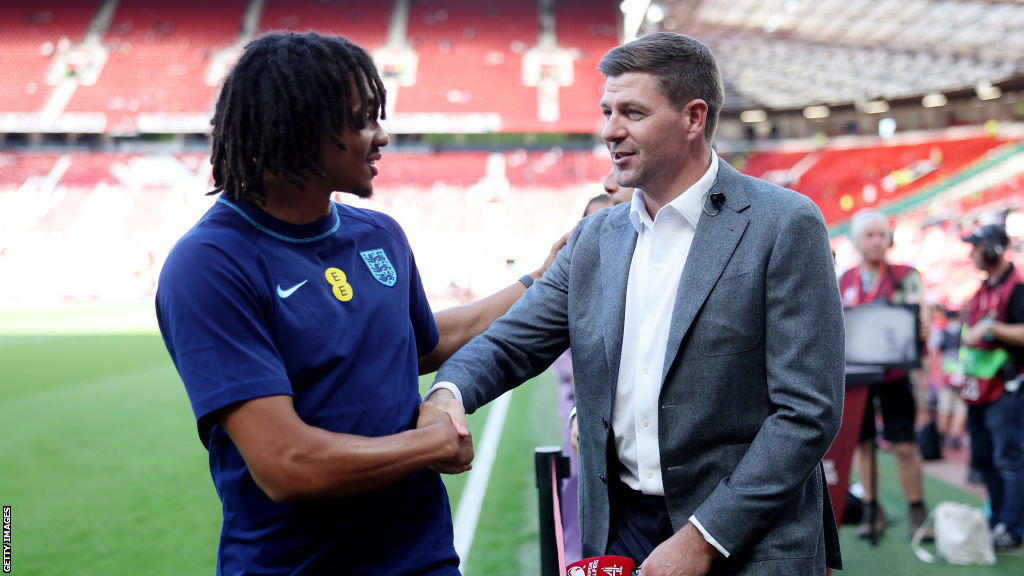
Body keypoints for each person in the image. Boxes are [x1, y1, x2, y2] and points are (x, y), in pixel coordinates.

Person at [427, 32, 844, 576]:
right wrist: (448, 392)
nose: (609, 131)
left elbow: (807, 412)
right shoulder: (594, 238)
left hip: (748, 540)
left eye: (632, 112)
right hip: (620, 530)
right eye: (606, 111)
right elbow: (511, 344)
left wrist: (702, 538)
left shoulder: (784, 223)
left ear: (694, 118)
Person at [155, 32, 562, 575]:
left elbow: (425, 344)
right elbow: (287, 463)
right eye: (363, 119)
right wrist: (433, 443)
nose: (382, 136)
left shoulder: (379, 233)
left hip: (424, 560)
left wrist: (544, 279)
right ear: (301, 129)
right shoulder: (210, 264)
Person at [838, 209, 930, 539]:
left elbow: (920, 319)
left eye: (882, 234)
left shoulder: (905, 275)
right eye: (870, 235)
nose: (877, 241)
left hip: (894, 377)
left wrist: (921, 327)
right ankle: (870, 509)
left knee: (903, 444)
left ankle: (917, 511)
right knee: (863, 445)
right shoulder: (844, 278)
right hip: (858, 378)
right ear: (856, 241)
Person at [551, 192, 614, 564]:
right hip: (581, 405)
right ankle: (576, 564)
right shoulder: (575, 278)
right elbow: (568, 367)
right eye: (594, 222)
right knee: (579, 491)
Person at [959, 223, 1024, 553]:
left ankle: (1012, 529)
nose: (972, 254)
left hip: (1007, 389)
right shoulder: (984, 289)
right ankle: (998, 518)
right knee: (983, 459)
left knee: (1009, 459)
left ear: (992, 249)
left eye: (976, 247)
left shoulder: (1018, 286)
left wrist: (989, 326)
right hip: (979, 389)